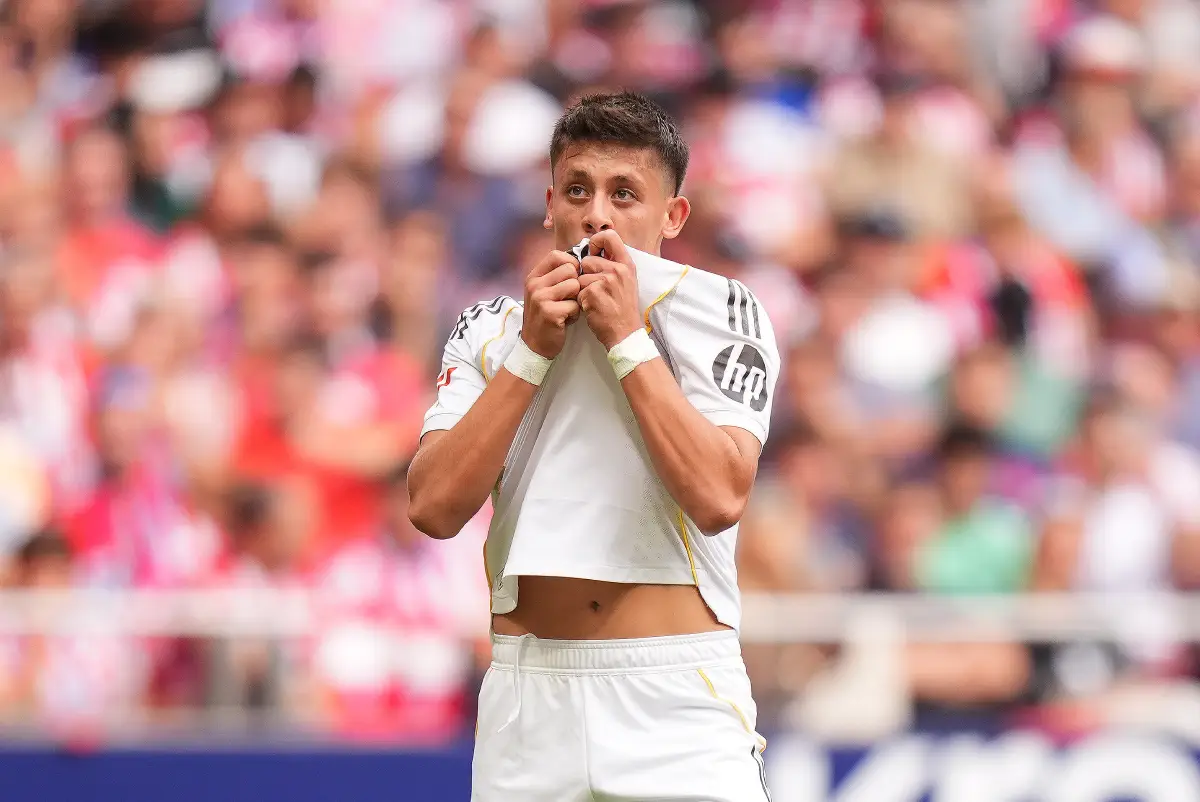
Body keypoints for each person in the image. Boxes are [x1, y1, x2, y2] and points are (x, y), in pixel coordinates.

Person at [407, 91, 780, 801]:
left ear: (674, 216)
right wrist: (530, 352)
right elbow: (432, 506)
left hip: (675, 704)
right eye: (577, 190)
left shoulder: (725, 310)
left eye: (625, 193)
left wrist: (626, 340)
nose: (597, 214)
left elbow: (720, 494)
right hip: (529, 698)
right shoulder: (490, 326)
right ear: (550, 204)